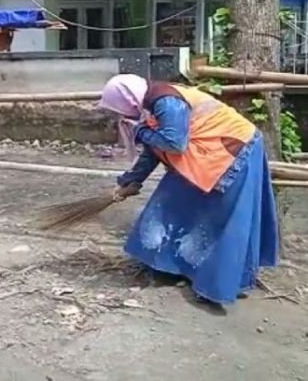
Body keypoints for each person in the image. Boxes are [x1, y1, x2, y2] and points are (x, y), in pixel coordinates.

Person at [99, 74, 280, 305]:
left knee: (222, 219)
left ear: (128, 101)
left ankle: (217, 284)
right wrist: (130, 181)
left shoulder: (165, 102)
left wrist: (140, 132)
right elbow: (153, 151)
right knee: (171, 201)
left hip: (234, 152)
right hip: (205, 153)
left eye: (118, 109)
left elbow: (174, 143)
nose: (120, 115)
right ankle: (168, 266)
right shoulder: (152, 106)